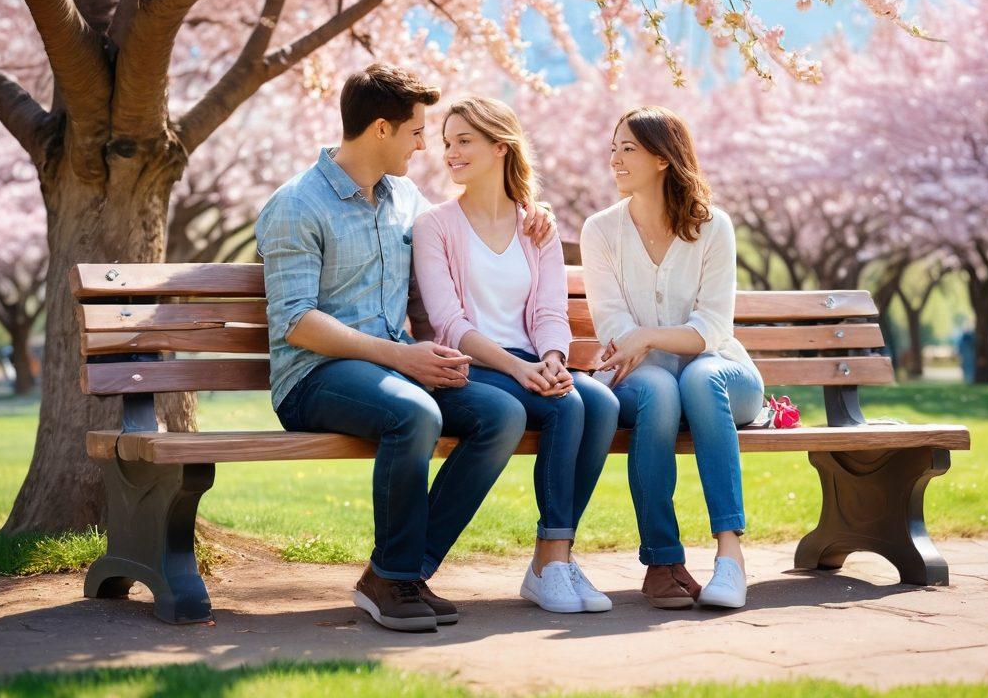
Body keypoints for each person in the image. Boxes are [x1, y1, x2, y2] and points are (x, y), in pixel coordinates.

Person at [255, 63, 556, 633]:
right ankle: (392, 577)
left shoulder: (405, 197)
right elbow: (295, 321)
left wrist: (528, 215)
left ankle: (403, 573)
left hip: (397, 366)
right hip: (314, 377)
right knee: (414, 413)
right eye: (417, 132)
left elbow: (462, 227)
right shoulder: (298, 204)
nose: (425, 146)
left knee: (502, 413)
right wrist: (399, 355)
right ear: (380, 130)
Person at [413, 97, 620, 614]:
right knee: (568, 405)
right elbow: (450, 323)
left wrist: (551, 356)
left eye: (464, 141)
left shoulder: (536, 226)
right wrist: (518, 368)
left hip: (529, 360)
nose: (451, 153)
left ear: (499, 146)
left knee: (602, 403)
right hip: (473, 366)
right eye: (447, 142)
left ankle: (555, 560)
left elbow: (550, 309)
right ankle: (551, 561)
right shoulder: (435, 226)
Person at [580, 105, 764, 611]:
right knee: (662, 388)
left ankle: (730, 556)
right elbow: (615, 330)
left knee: (701, 381)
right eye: (613, 147)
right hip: (644, 381)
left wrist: (646, 337)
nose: (614, 159)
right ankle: (662, 561)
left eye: (628, 149)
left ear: (663, 158)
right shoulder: (600, 231)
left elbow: (712, 331)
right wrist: (639, 341)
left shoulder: (713, 227)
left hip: (725, 380)